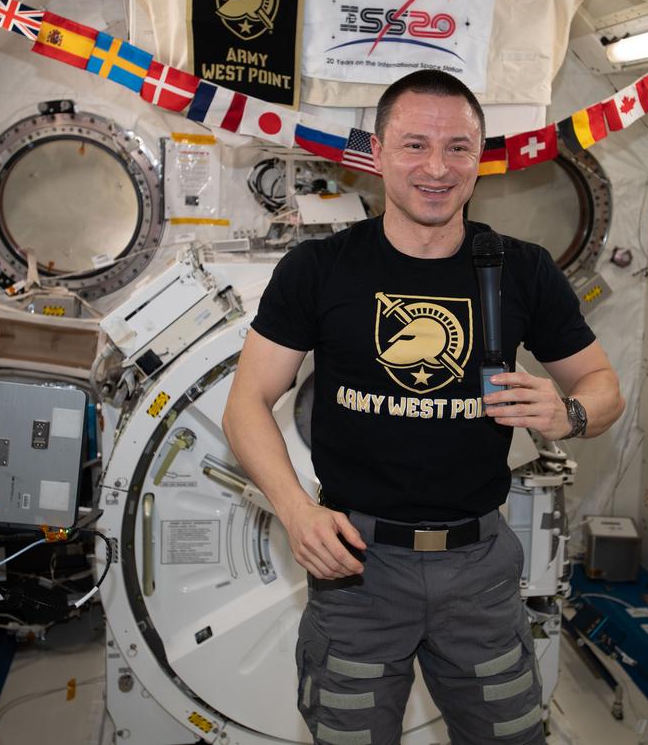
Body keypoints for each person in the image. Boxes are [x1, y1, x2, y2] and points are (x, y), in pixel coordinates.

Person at [222, 69, 624, 744]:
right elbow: (246, 403)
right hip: (356, 568)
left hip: (479, 568)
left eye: (457, 147)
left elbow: (602, 385)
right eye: (414, 145)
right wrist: (295, 511)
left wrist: (570, 414)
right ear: (377, 154)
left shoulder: (522, 269)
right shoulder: (319, 269)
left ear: (479, 157)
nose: (436, 168)